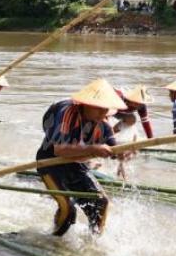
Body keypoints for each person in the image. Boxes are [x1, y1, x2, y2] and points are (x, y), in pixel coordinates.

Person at [36, 78, 132, 237]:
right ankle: (53, 240)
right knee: (68, 210)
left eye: (105, 109)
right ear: (86, 104)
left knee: (100, 202)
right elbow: (59, 151)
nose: (103, 114)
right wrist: (94, 149)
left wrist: (121, 153)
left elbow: (113, 149)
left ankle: (94, 242)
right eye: (99, 109)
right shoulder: (66, 113)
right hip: (49, 162)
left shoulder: (103, 124)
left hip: (76, 164)